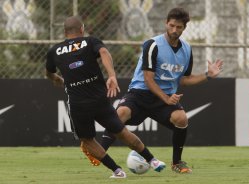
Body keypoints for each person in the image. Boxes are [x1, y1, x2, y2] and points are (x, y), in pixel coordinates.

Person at [100, 7, 223, 174]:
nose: (174, 30)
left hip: (163, 99)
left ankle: (177, 163)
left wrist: (208, 75)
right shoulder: (152, 45)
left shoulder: (187, 49)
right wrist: (166, 98)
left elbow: (184, 79)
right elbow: (148, 79)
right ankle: (98, 152)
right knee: (121, 113)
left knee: (181, 118)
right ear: (166, 23)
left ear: (184, 28)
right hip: (140, 93)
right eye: (171, 25)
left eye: (178, 27)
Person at [45, 16, 165, 178]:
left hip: (78, 104)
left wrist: (56, 80)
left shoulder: (54, 51)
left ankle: (117, 170)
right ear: (82, 29)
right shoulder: (90, 41)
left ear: (64, 32)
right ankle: (153, 160)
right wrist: (112, 76)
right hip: (99, 100)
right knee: (121, 131)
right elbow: (103, 52)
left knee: (87, 140)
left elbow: (49, 72)